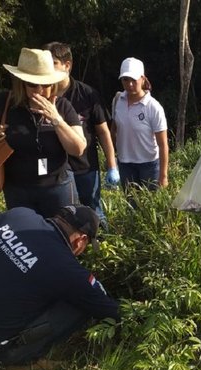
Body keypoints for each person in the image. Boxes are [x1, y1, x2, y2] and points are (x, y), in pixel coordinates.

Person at [0, 205, 120, 367]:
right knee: (80, 305)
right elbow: (107, 309)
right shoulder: (65, 267)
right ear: (81, 241)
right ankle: (17, 360)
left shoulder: (19, 214)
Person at [0, 48, 87, 218]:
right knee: (25, 238)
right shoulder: (5, 102)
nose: (39, 90)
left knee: (60, 236)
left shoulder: (63, 106)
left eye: (45, 85)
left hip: (57, 186)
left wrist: (56, 119)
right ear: (21, 83)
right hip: (17, 188)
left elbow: (78, 148)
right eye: (32, 84)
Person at [42, 42, 120, 229]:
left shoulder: (87, 94)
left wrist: (111, 165)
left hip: (84, 167)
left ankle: (100, 250)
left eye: (53, 63)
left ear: (67, 65)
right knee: (62, 216)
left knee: (92, 212)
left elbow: (103, 132)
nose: (47, 68)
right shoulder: (42, 93)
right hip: (55, 170)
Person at [111, 57, 169, 192]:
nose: (130, 84)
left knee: (150, 208)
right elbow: (114, 130)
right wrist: (111, 160)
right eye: (126, 80)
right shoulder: (118, 100)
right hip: (125, 164)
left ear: (142, 79)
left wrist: (163, 175)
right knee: (131, 206)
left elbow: (163, 144)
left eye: (134, 80)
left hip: (149, 164)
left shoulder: (153, 107)